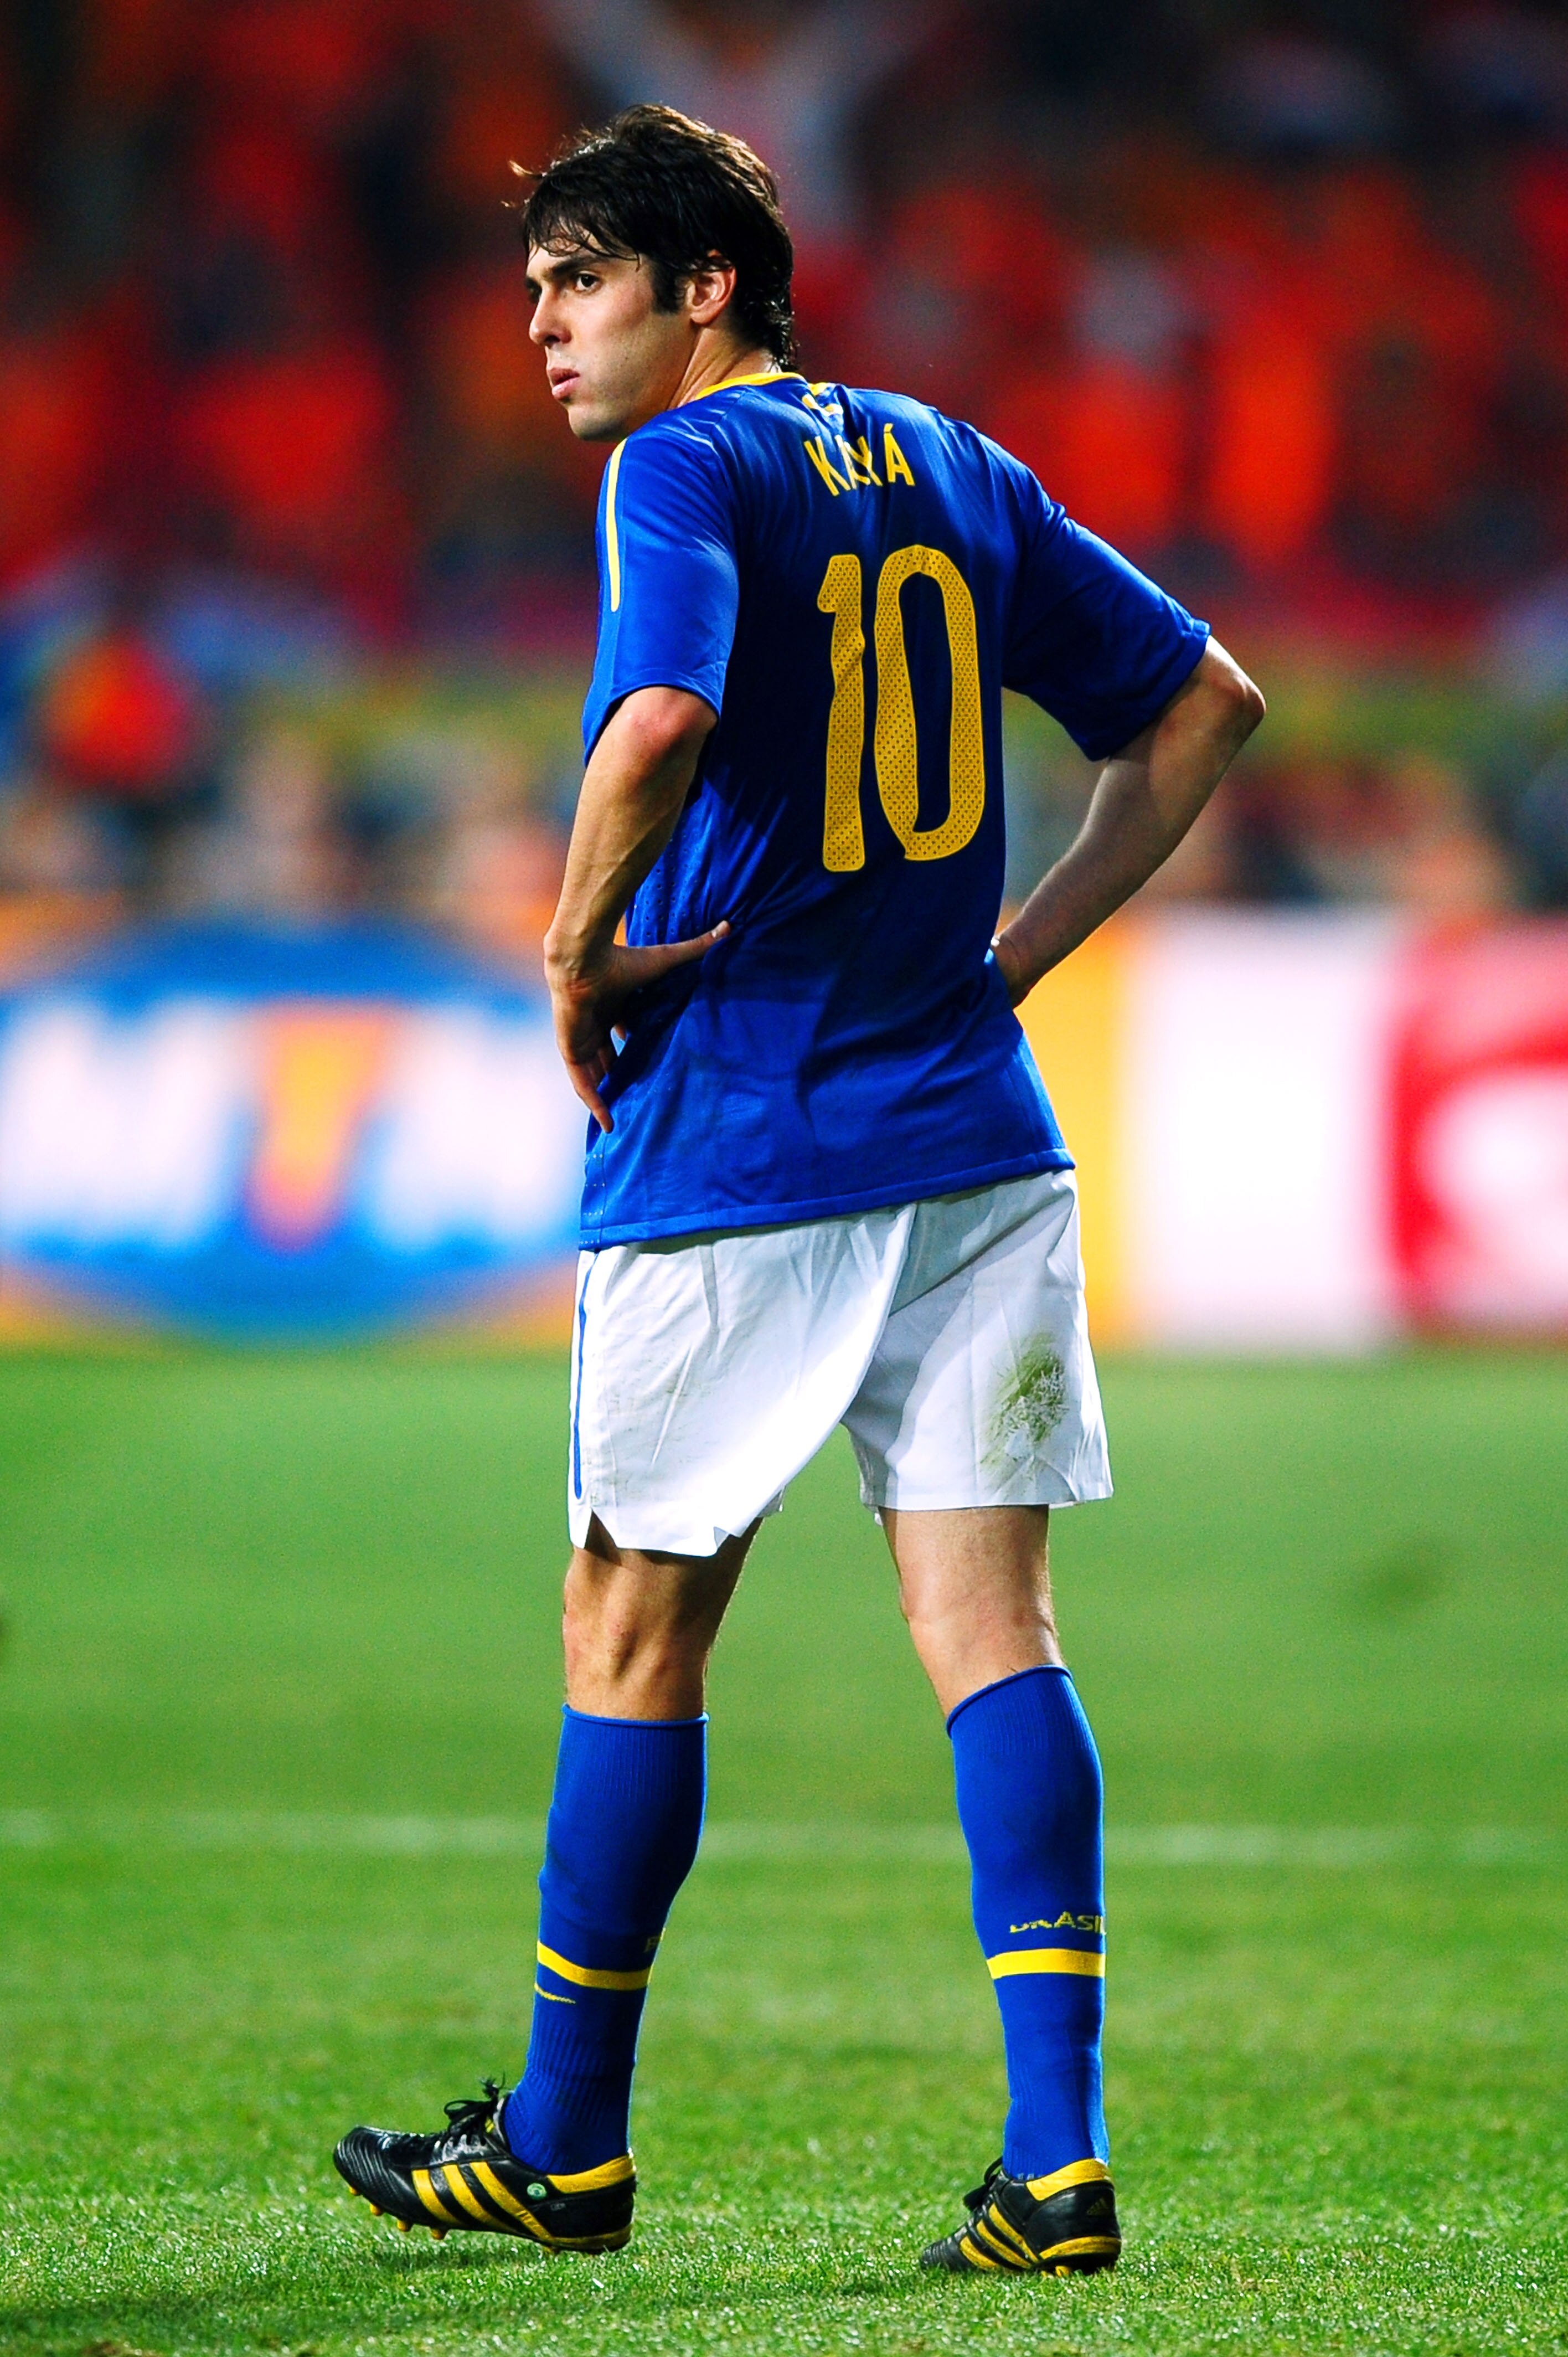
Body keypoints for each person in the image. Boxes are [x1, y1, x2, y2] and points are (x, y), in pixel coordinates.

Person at [334, 104, 1263, 2278]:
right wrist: (1009, 960)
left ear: (706, 288)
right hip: (974, 1140)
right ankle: (1058, 2157)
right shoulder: (953, 456)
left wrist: (571, 949)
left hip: (746, 1135)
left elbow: (656, 721)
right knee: (994, 1632)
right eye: (537, 288)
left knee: (631, 1623)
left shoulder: (683, 467)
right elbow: (1206, 712)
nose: (544, 327)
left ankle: (565, 2139)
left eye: (580, 283)